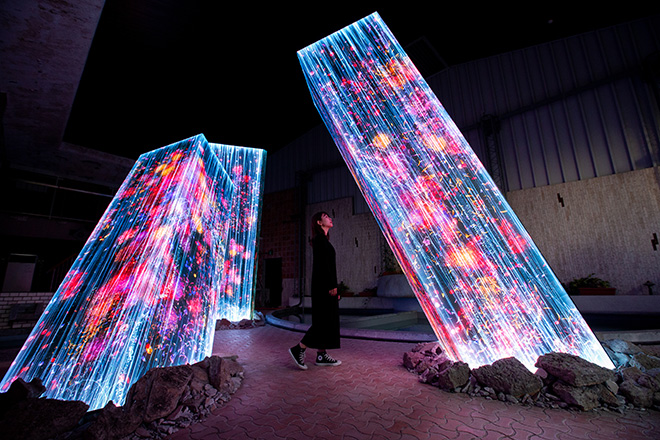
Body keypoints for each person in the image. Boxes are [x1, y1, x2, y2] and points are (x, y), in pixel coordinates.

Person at [289, 211, 341, 369]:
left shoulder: (324, 240)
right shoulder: (319, 240)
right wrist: (332, 286)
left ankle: (321, 354)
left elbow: (329, 265)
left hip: (325, 285)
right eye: (326, 216)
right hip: (323, 286)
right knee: (322, 320)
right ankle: (299, 348)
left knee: (327, 320)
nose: (330, 218)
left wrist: (335, 286)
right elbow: (322, 266)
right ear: (319, 222)